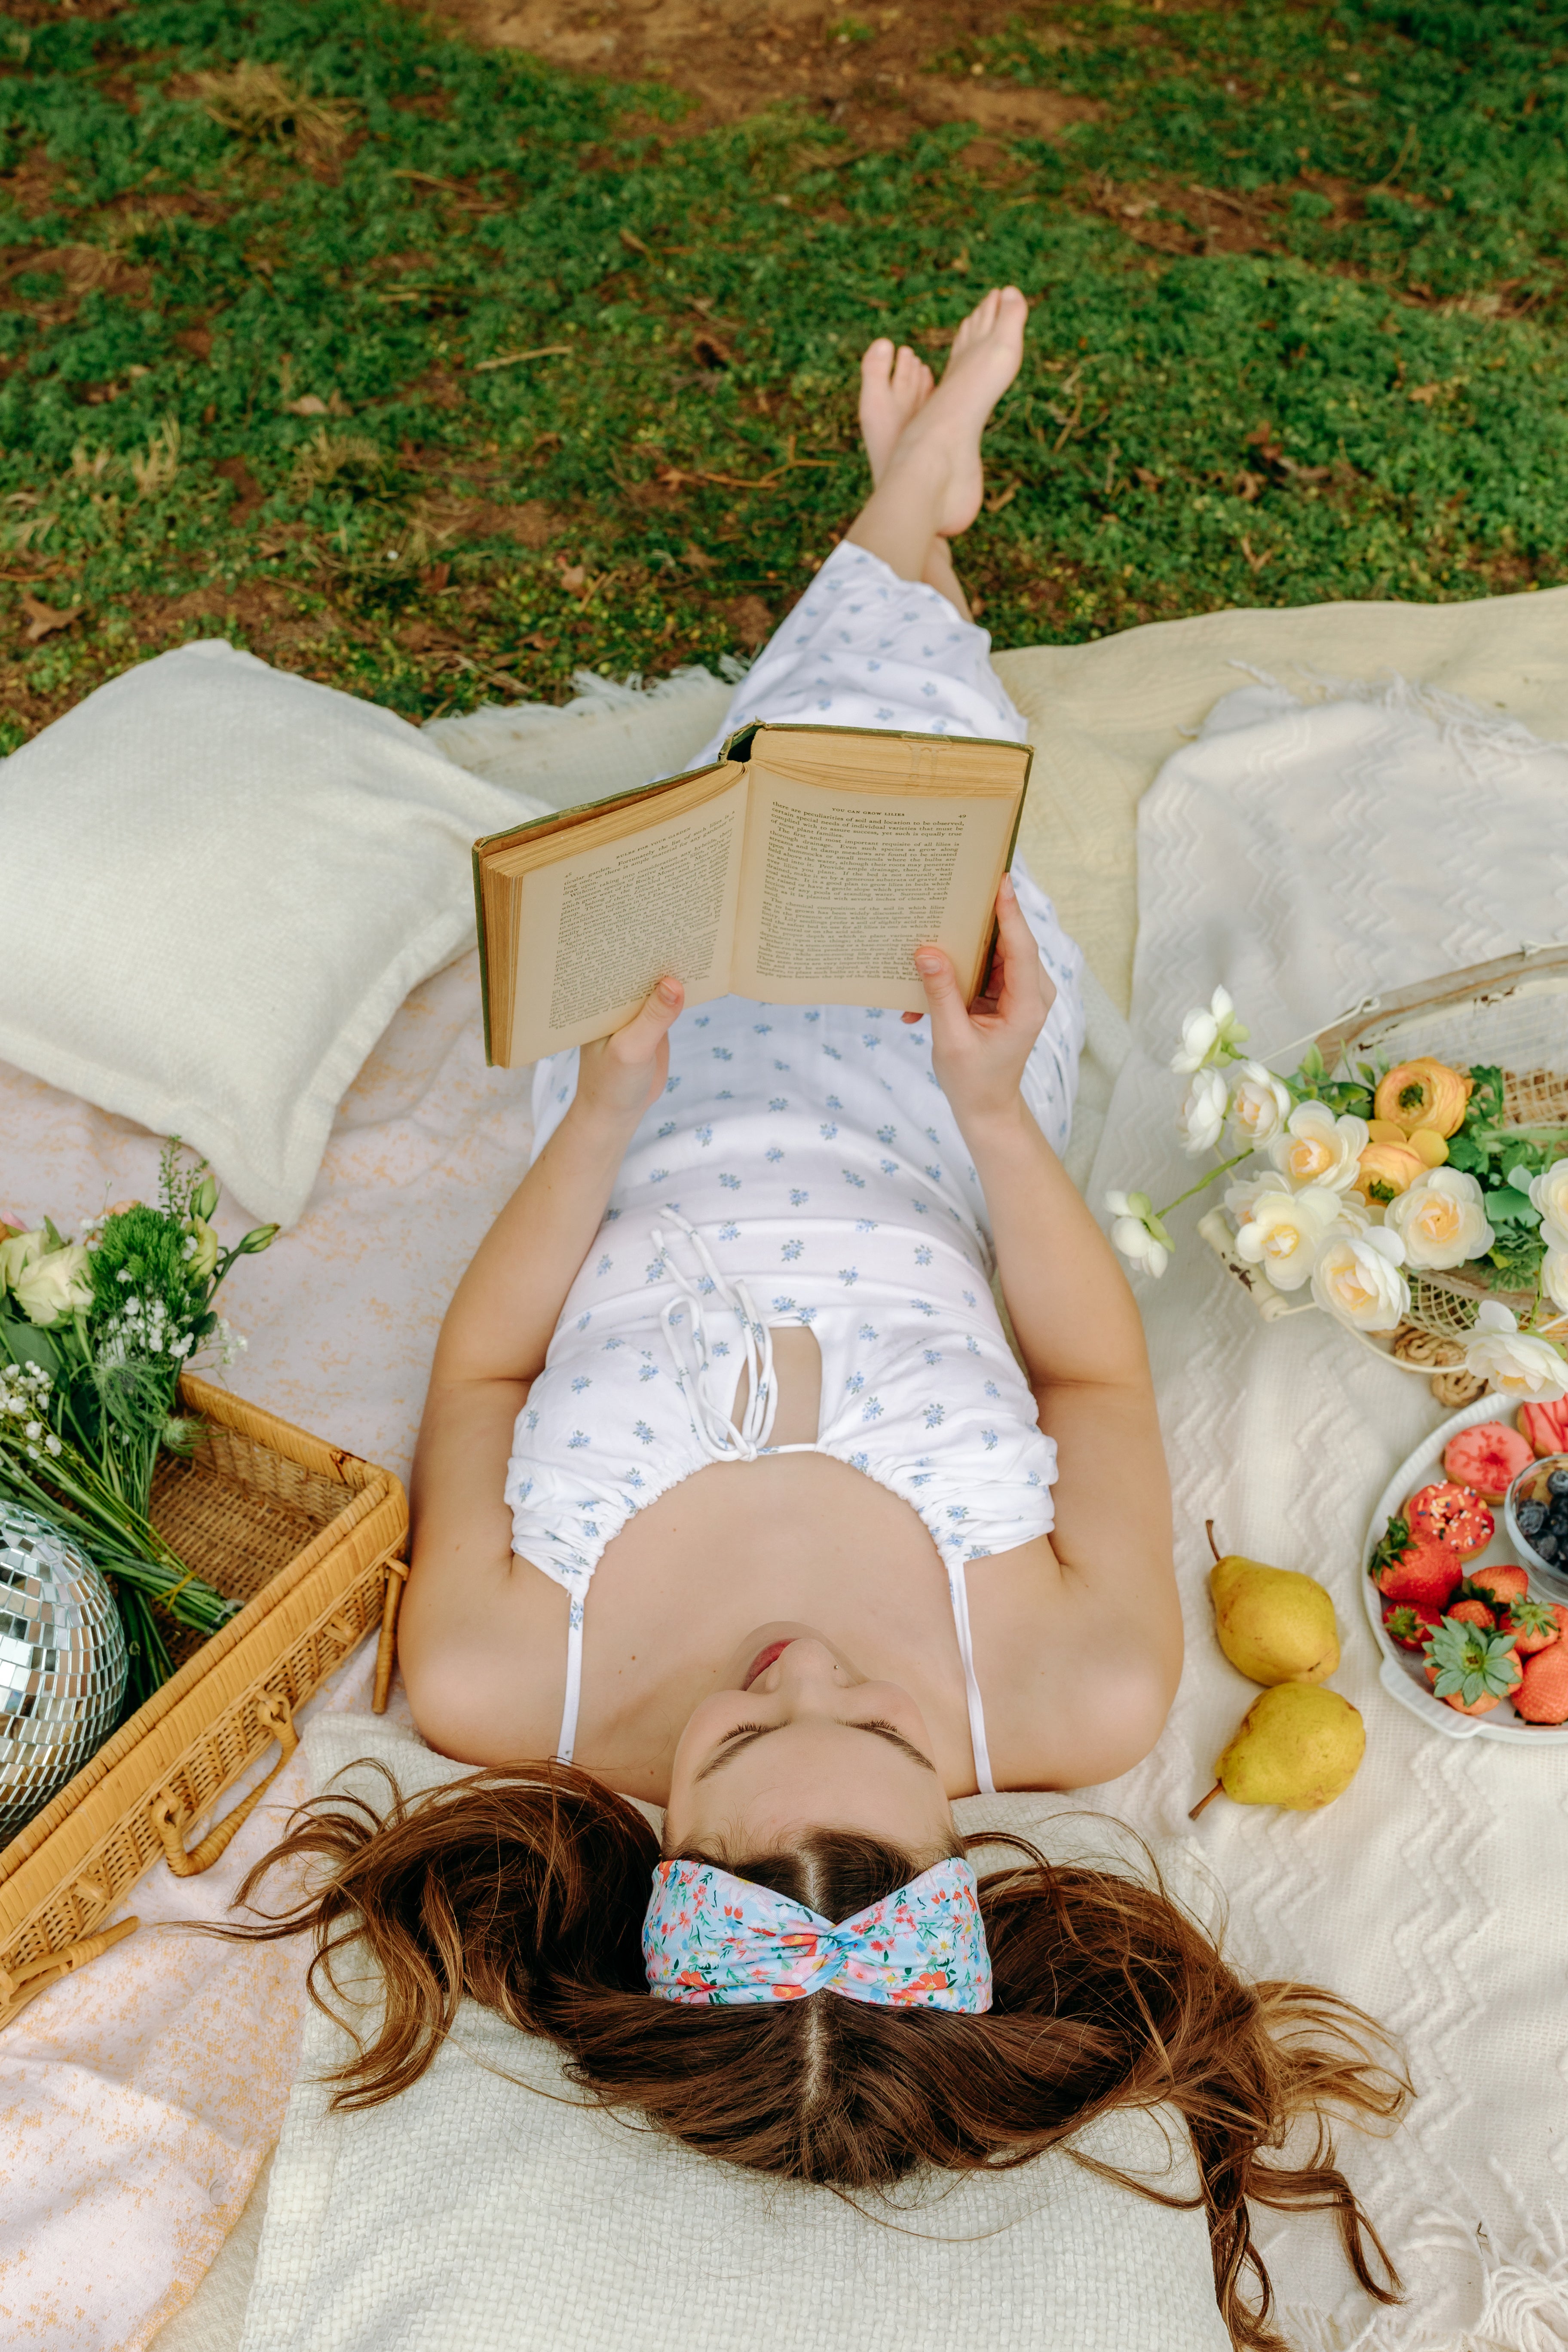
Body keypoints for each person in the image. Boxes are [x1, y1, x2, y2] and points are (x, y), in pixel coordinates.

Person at [239, 290, 1407, 2348]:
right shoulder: (1079, 1687)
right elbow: (1086, 1365)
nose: (796, 1673)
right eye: (863, 1727)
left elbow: (490, 1362)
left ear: (651, 1858)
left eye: (737, 1737)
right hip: (920, 1102)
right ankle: (905, 531)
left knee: (743, 799)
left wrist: (603, 1100)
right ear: (965, 1837)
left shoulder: (509, 1680)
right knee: (891, 782)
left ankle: (908, 521)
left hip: (649, 1093)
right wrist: (984, 1101)